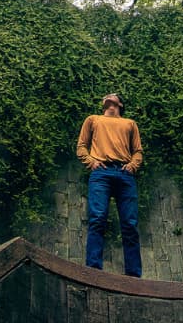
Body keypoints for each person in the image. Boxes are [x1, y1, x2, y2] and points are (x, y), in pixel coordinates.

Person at [76, 93, 144, 277]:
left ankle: (134, 277)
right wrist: (91, 162)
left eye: (113, 96)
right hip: (101, 173)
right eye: (106, 96)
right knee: (97, 219)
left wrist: (132, 166)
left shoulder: (130, 124)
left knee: (130, 224)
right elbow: (81, 146)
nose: (108, 96)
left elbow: (138, 151)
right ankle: (93, 272)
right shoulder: (93, 120)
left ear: (120, 104)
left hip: (124, 173)